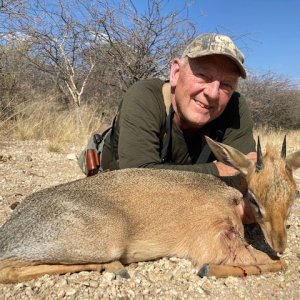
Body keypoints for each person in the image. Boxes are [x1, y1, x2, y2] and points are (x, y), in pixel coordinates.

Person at [79, 33, 257, 222]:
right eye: (202, 76)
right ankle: (104, 132)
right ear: (175, 73)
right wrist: (218, 172)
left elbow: (248, 175)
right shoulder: (143, 96)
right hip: (112, 164)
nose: (212, 93)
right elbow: (137, 180)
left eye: (226, 84)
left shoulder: (235, 105)